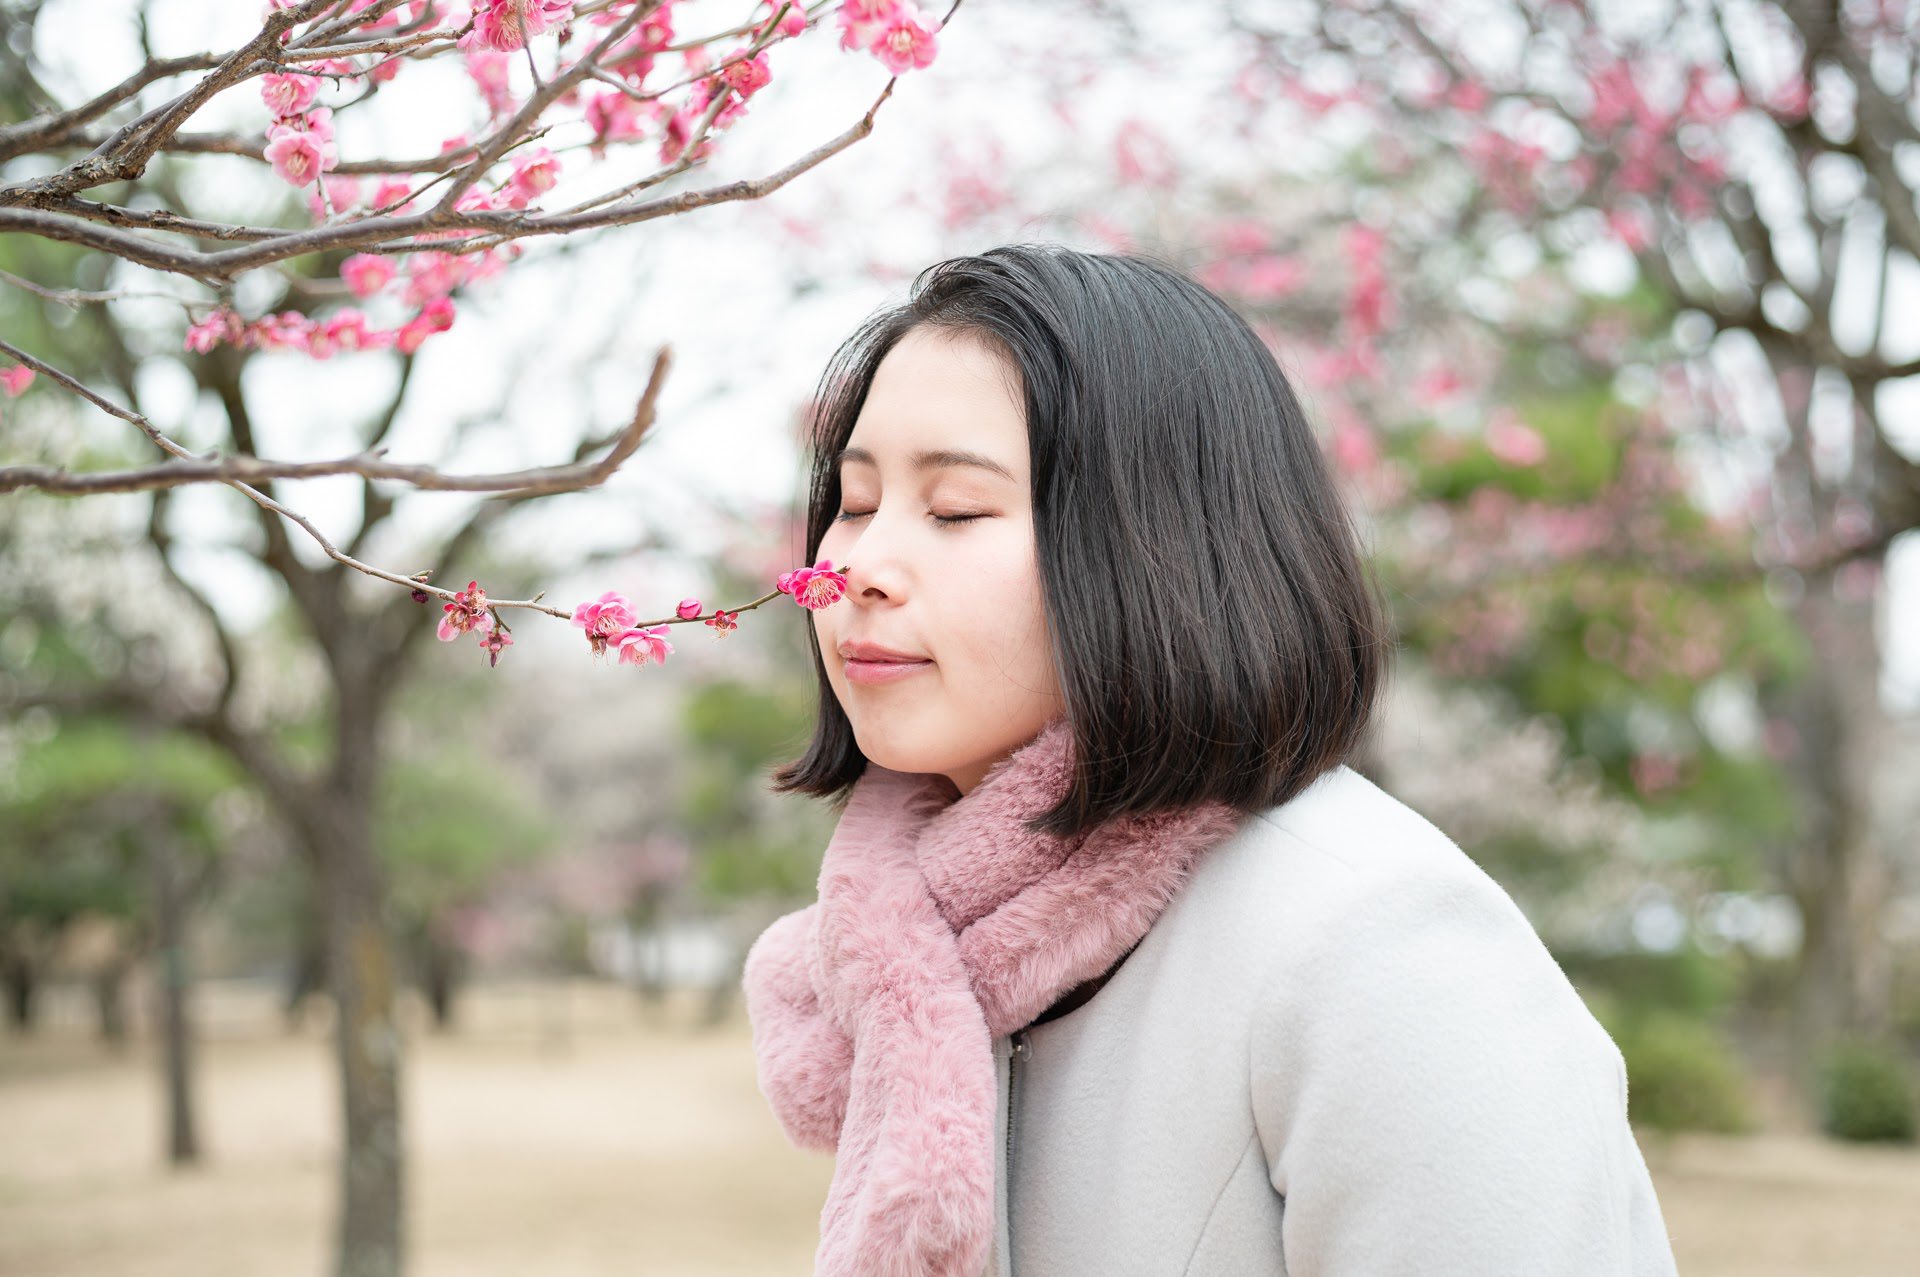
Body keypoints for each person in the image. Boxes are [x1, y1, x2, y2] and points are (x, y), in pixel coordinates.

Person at [741, 242, 1681, 1276]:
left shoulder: (1379, 952)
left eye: (957, 509)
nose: (859, 567)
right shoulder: (936, 948)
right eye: (859, 501)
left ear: (1157, 541)